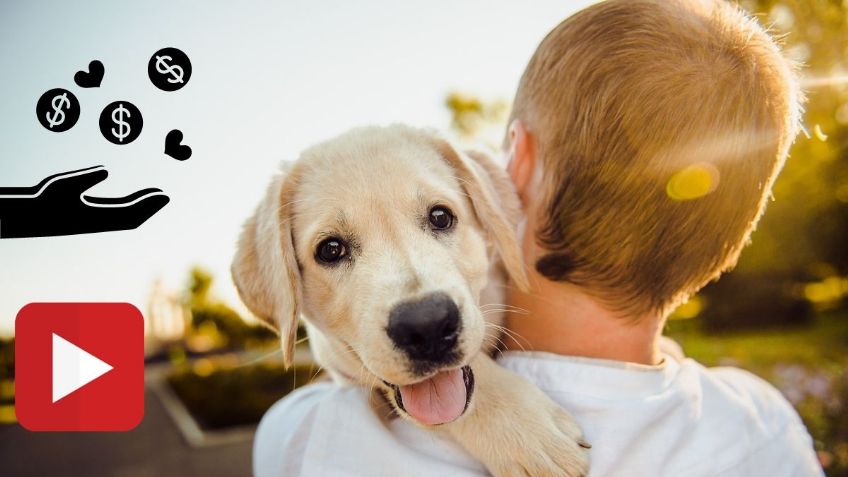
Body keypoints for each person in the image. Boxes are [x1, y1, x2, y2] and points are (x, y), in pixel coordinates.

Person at [253, 0, 824, 475]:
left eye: (439, 218)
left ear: (514, 166)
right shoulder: (763, 428)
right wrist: (483, 402)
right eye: (334, 250)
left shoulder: (305, 439)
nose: (419, 300)